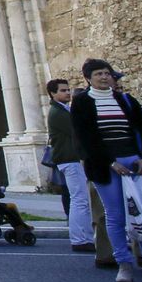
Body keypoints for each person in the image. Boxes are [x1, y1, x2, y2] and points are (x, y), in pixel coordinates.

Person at [70, 58, 142, 282]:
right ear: (88, 78)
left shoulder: (126, 100)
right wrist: (110, 162)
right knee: (116, 216)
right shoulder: (82, 103)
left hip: (134, 163)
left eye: (107, 73)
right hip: (106, 166)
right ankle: (124, 263)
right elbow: (85, 138)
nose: (104, 77)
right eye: (99, 73)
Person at [45, 78, 93, 251]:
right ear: (53, 93)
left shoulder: (63, 110)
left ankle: (86, 236)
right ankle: (80, 239)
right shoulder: (58, 113)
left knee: (81, 200)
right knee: (79, 199)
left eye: (68, 90)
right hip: (70, 160)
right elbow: (77, 130)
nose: (67, 93)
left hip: (71, 159)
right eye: (63, 90)